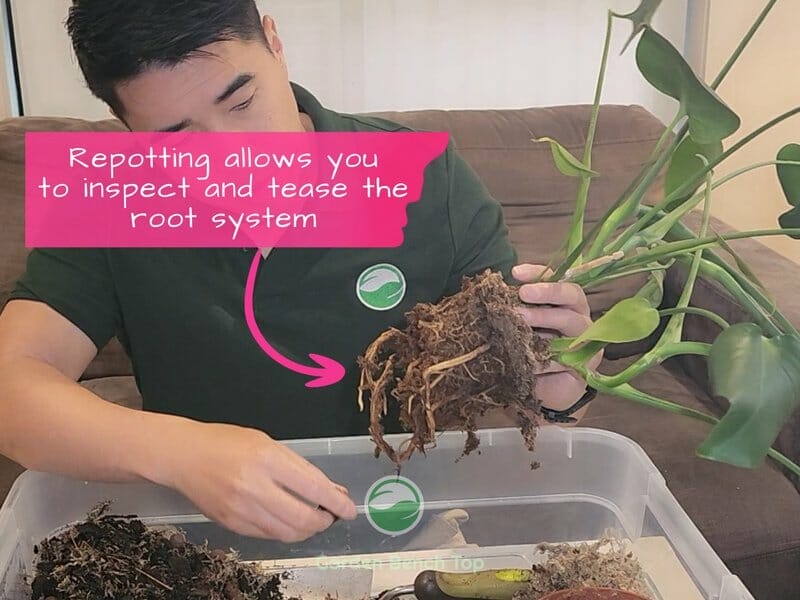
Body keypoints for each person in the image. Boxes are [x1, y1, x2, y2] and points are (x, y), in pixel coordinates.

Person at [0, 0, 600, 543]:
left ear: (274, 42)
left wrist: (560, 382)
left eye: (241, 102)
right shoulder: (110, 196)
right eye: (178, 140)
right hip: (205, 543)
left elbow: (524, 385)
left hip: (407, 527)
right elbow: (12, 384)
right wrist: (181, 452)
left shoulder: (423, 175)